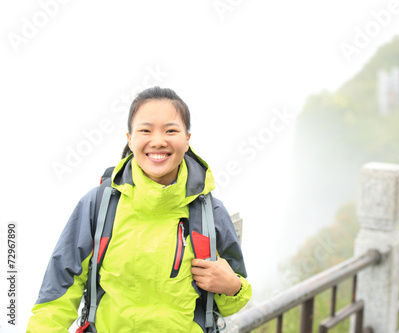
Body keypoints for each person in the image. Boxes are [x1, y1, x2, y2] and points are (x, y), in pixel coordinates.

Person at [27, 87, 252, 332]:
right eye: (145, 130)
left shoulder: (210, 212)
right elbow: (56, 296)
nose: (158, 141)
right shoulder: (99, 206)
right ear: (130, 138)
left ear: (187, 140)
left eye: (171, 130)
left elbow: (231, 297)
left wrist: (233, 288)